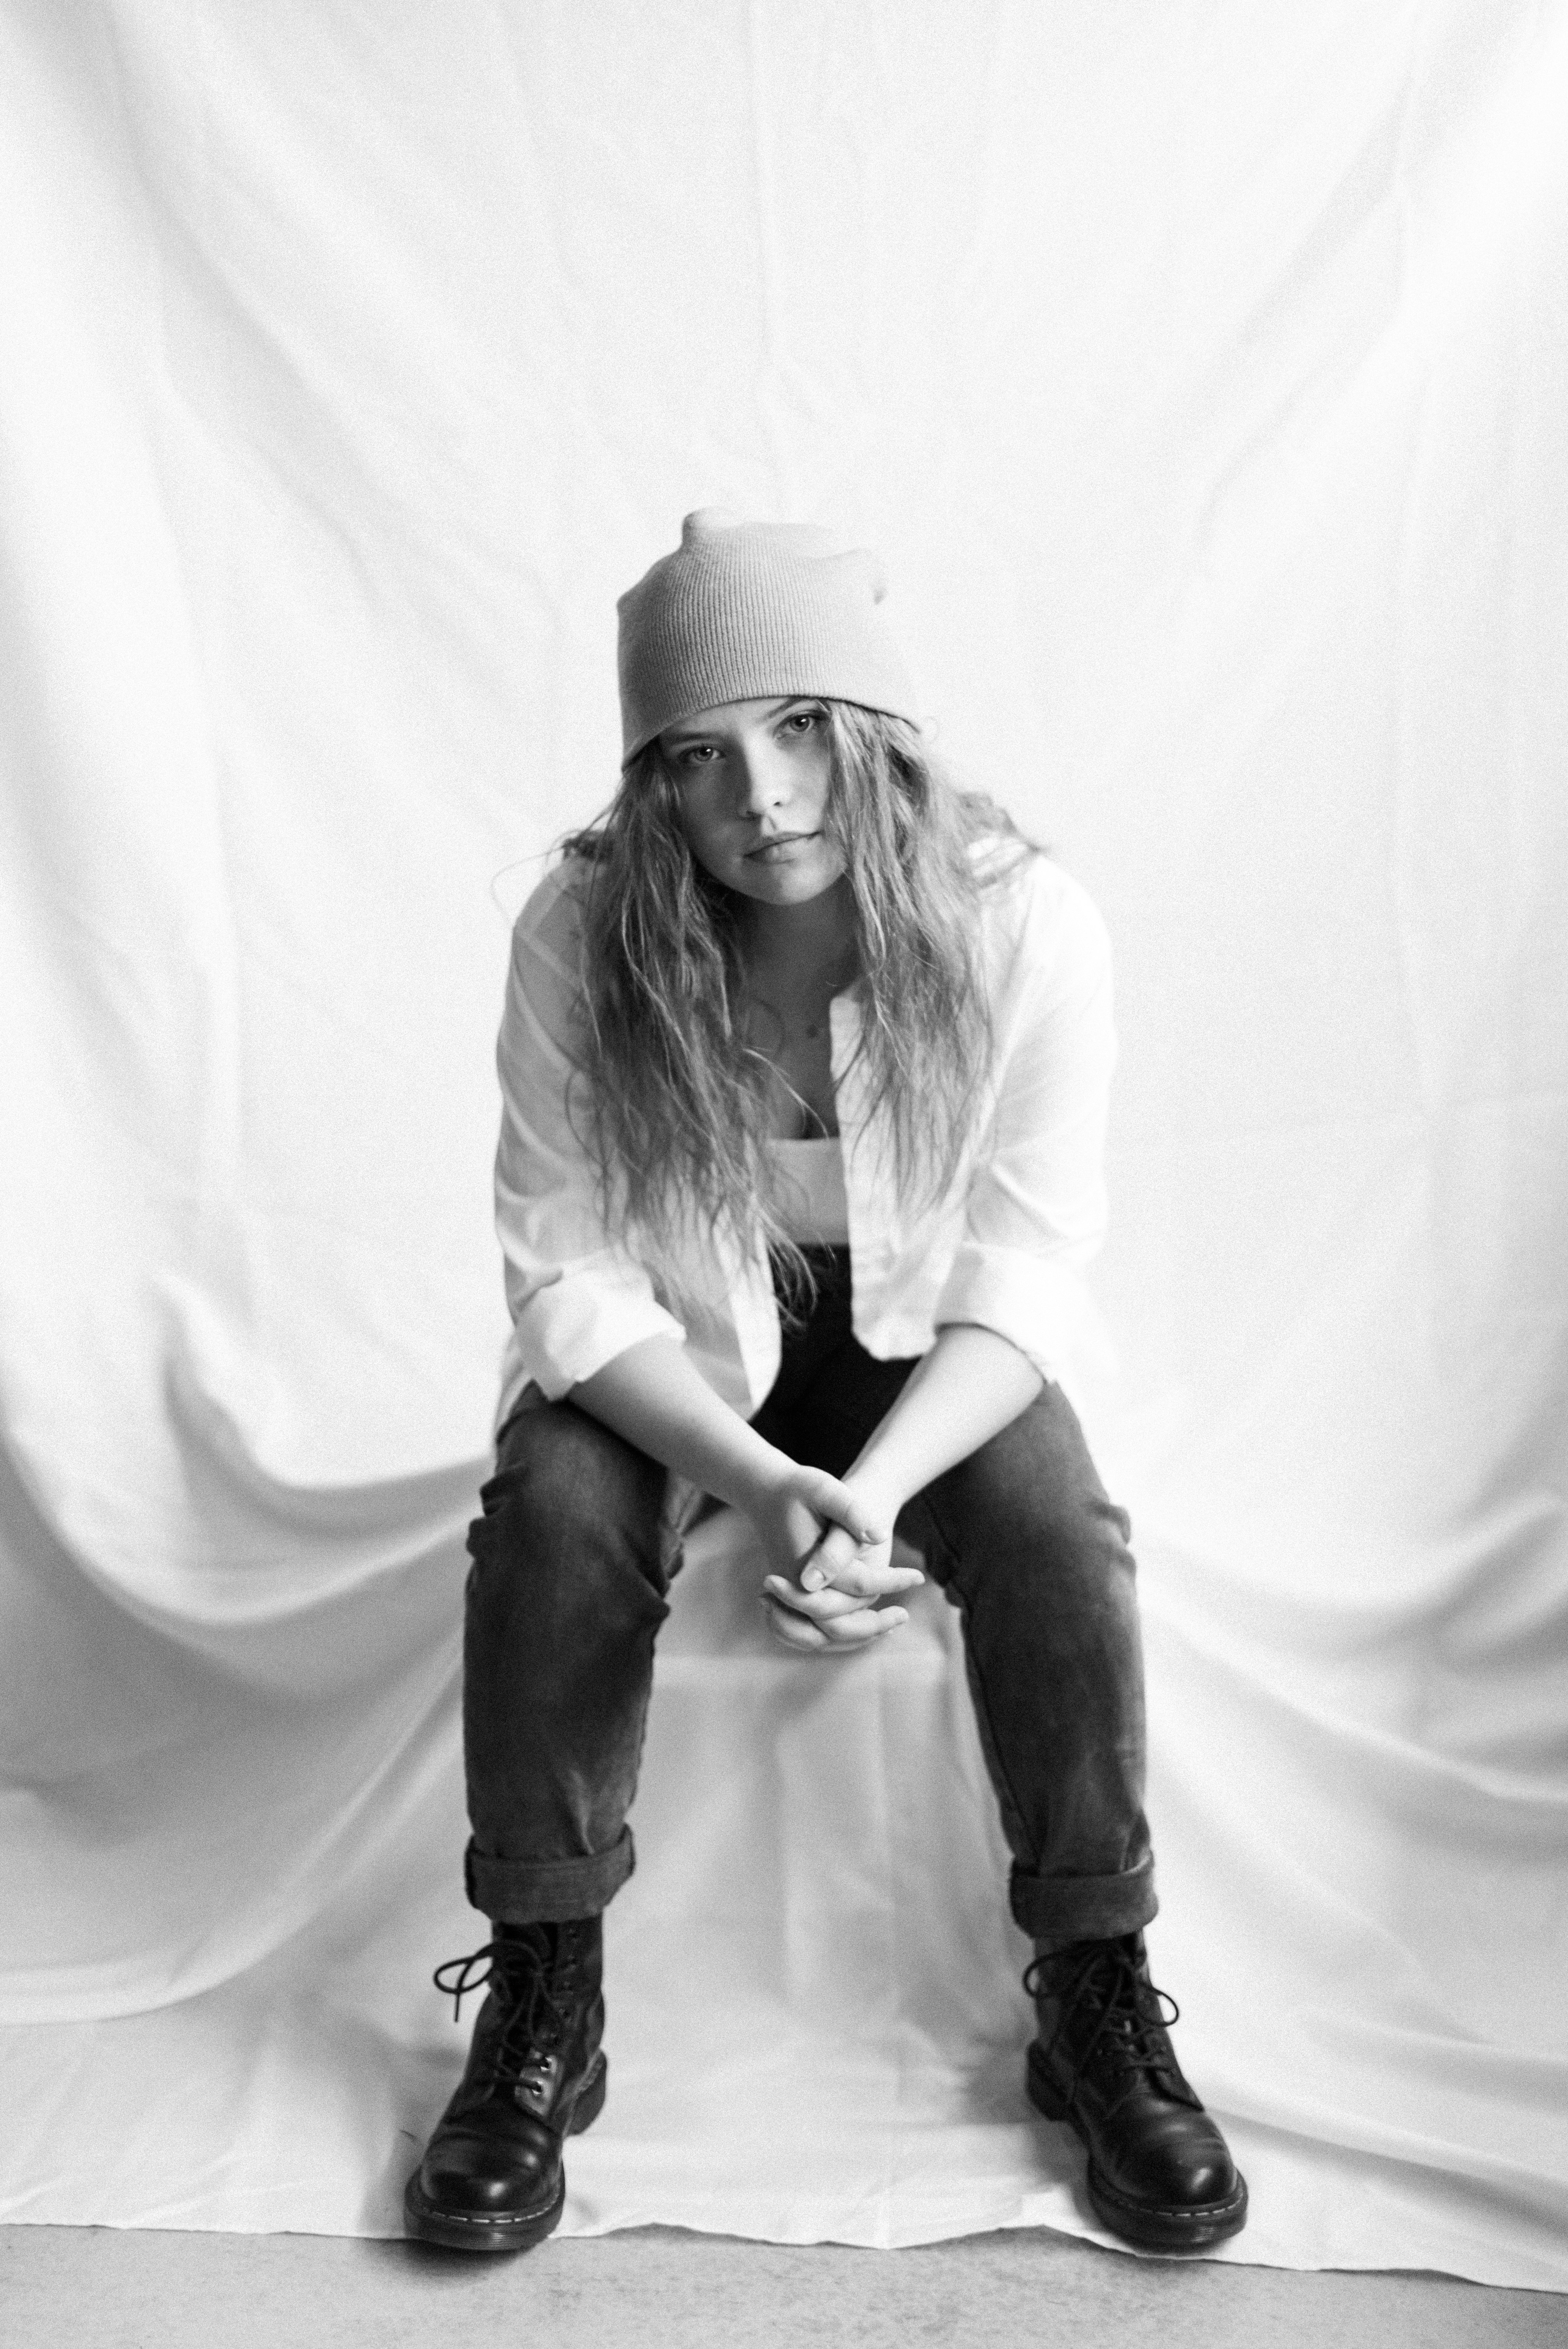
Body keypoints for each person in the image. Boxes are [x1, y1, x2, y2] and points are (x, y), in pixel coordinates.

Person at [403, 510, 1247, 2257]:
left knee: (1055, 1529)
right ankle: (544, 1999)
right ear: (651, 786)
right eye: (699, 756)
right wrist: (755, 1467)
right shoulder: (581, 935)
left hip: (930, 1358)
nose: (762, 795)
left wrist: (868, 1486)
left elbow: (1023, 1271)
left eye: (801, 729)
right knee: (551, 1512)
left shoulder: (1023, 928)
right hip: (677, 1363)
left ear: (877, 735)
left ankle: (1095, 1987)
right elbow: (564, 1267)